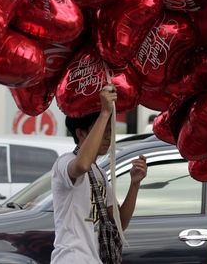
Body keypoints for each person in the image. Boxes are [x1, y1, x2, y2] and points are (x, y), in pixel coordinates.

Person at [51, 86, 147, 264]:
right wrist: (104, 113)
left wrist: (135, 184)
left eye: (110, 131)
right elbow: (82, 164)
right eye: (102, 130)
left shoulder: (100, 173)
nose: (108, 137)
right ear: (81, 133)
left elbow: (119, 224)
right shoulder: (64, 162)